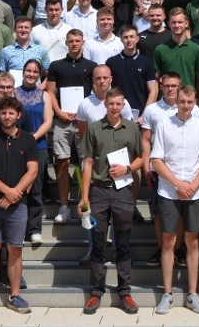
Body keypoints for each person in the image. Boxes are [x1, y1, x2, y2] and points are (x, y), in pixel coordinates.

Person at [78, 88, 144, 315]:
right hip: (98, 191)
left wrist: (127, 168)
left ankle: (124, 291)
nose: (115, 107)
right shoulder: (95, 128)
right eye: (111, 103)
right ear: (105, 104)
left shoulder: (132, 128)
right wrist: (84, 197)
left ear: (123, 104)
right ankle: (95, 293)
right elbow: (87, 163)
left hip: (123, 191)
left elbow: (141, 157)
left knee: (123, 243)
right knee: (97, 243)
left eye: (118, 104)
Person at [0, 96, 39, 315]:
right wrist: (7, 191)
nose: (7, 116)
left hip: (18, 204)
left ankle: (14, 296)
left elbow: (32, 171)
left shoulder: (28, 140)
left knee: (15, 249)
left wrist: (14, 195)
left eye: (12, 113)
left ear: (18, 115)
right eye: (3, 112)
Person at [150, 86, 199, 315]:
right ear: (176, 101)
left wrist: (193, 186)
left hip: (194, 191)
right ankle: (167, 294)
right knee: (168, 241)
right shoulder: (165, 124)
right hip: (169, 191)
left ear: (196, 102)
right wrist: (178, 184)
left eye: (190, 102)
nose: (186, 106)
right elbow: (156, 160)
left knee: (192, 242)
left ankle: (193, 294)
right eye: (182, 101)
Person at [45, 29, 96, 223]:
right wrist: (59, 113)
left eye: (78, 41)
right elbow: (50, 92)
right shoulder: (57, 65)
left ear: (83, 42)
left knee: (85, 162)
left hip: (84, 122)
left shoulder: (91, 66)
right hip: (62, 121)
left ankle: (85, 203)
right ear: (66, 43)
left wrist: (84, 113)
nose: (74, 44)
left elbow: (96, 92)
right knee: (62, 162)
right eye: (71, 41)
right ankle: (64, 206)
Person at [15, 59, 54, 246]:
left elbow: (48, 121)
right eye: (28, 71)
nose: (31, 74)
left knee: (36, 189)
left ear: (39, 74)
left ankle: (34, 229)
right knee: (18, 187)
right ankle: (18, 228)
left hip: (38, 147)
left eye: (35, 71)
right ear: (23, 72)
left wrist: (32, 137)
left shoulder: (44, 95)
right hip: (15, 147)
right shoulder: (13, 93)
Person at [106, 25, 158, 121]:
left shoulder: (146, 62)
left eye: (132, 36)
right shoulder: (112, 62)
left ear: (137, 39)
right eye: (125, 37)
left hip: (140, 114)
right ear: (121, 40)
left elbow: (153, 91)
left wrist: (145, 115)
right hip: (117, 112)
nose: (129, 40)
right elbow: (106, 89)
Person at [153, 7, 199, 87]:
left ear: (186, 23)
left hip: (188, 97)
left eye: (180, 22)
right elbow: (156, 80)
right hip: (167, 96)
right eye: (173, 22)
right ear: (169, 24)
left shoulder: (196, 49)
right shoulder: (160, 49)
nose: (177, 25)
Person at [31, 0, 74, 64]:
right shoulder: (34, 31)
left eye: (56, 10)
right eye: (51, 10)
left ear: (62, 9)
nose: (54, 13)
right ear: (45, 10)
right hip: (43, 73)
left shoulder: (70, 31)